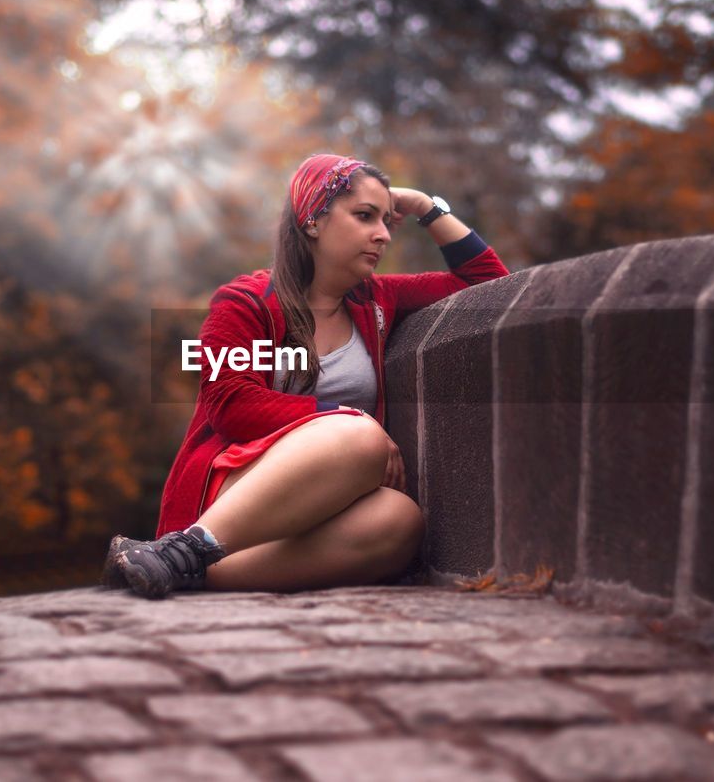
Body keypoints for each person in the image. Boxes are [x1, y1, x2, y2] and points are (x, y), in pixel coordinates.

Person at [102, 154, 509, 598]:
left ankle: (181, 566)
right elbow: (231, 404)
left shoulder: (377, 301)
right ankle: (189, 543)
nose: (383, 234)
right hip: (235, 490)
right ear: (313, 221)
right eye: (364, 216)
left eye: (386, 220)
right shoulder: (245, 302)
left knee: (400, 520)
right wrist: (344, 417)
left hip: (325, 501)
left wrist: (424, 205)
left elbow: (488, 285)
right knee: (357, 435)